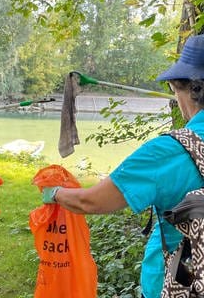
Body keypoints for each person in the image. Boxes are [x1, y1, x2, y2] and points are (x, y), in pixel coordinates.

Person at [42, 34, 204, 298]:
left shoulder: (169, 151)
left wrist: (53, 192)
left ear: (181, 87)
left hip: (178, 283)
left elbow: (90, 202)